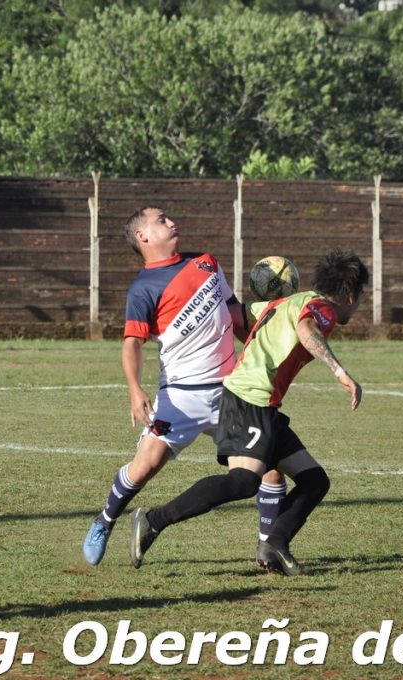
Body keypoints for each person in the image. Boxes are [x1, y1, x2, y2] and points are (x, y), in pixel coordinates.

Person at [128, 249, 368, 576]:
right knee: (243, 482)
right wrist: (340, 373)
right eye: (360, 298)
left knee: (314, 481)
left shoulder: (285, 302)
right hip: (249, 400)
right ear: (351, 295)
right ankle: (153, 519)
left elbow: (235, 314)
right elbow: (307, 329)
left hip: (259, 404)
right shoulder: (320, 309)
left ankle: (275, 545)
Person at [82, 206, 286, 565]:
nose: (172, 222)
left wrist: (266, 343)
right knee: (145, 466)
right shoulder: (143, 288)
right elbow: (132, 343)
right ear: (142, 237)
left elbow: (236, 316)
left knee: (267, 462)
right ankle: (106, 519)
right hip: (182, 397)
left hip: (232, 392)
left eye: (169, 217)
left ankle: (268, 547)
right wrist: (134, 388)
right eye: (161, 220)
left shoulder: (206, 263)